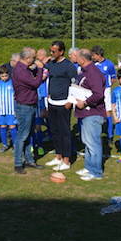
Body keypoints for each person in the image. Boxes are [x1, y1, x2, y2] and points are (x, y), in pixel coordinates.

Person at [73, 48, 106, 181]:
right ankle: (89, 167)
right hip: (85, 113)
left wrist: (85, 102)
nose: (75, 58)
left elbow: (98, 94)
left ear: (82, 59)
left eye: (77, 56)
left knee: (93, 142)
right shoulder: (84, 71)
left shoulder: (93, 72)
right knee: (87, 141)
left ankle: (96, 172)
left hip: (93, 112)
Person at [44, 40, 77, 171]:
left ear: (61, 52)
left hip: (64, 104)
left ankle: (66, 160)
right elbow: (47, 79)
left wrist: (70, 100)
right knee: (54, 131)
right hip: (52, 103)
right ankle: (58, 156)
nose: (51, 53)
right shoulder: (50, 64)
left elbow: (75, 84)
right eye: (50, 50)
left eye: (53, 51)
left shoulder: (69, 66)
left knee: (64, 132)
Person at [12, 47, 45, 174]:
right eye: (34, 57)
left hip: (29, 104)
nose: (35, 59)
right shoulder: (21, 71)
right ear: (27, 58)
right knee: (22, 135)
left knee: (28, 134)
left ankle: (29, 160)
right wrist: (41, 69)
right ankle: (18, 163)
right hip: (24, 106)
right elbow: (35, 83)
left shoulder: (23, 68)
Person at [92, 45, 117, 139]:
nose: (93, 57)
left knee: (107, 111)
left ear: (98, 55)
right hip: (94, 90)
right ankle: (95, 132)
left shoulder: (109, 64)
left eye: (94, 55)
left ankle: (110, 134)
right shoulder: (93, 64)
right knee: (95, 110)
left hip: (106, 90)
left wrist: (107, 85)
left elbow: (114, 78)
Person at [0, 65, 17, 153]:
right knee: (2, 126)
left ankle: (15, 144)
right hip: (1, 110)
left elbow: (16, 96)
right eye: (2, 76)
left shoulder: (13, 83)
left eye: (6, 76)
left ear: (9, 75)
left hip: (11, 110)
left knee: (12, 126)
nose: (4, 78)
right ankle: (4, 144)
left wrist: (16, 109)